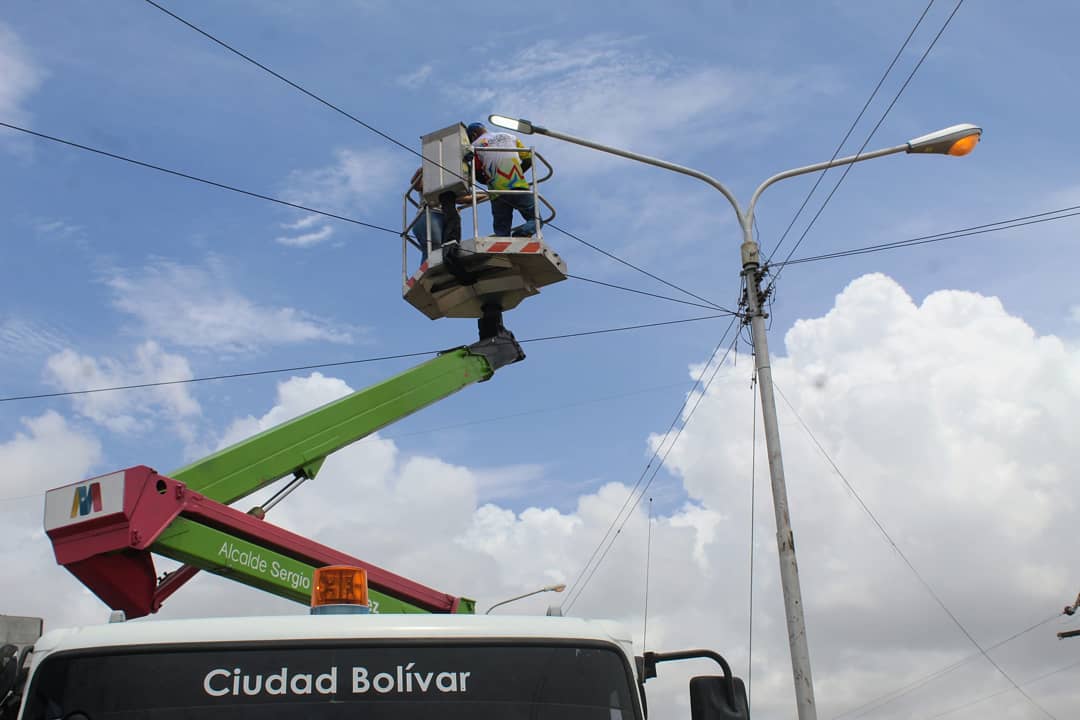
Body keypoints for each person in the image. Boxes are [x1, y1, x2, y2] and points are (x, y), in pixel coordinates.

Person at [466, 122, 537, 238]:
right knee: (536, 220)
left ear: (473, 135)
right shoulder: (511, 137)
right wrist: (517, 174)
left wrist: (490, 179)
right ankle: (522, 234)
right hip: (519, 186)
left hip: (497, 193)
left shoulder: (475, 146)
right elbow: (528, 159)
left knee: (502, 231)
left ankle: (503, 247)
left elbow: (478, 175)